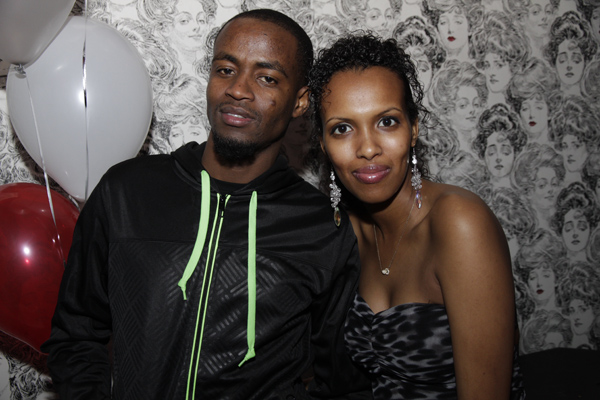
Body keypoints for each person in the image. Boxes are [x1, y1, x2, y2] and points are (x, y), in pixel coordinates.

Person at [41, 9, 371, 400]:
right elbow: (75, 335)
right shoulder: (127, 193)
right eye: (226, 70)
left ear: (300, 102)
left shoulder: (321, 228)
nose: (238, 90)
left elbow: (343, 385)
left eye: (266, 78)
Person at [308, 34, 525, 399]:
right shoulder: (347, 232)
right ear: (323, 145)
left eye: (386, 121)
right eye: (342, 128)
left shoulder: (459, 223)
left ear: (413, 130)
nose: (368, 148)